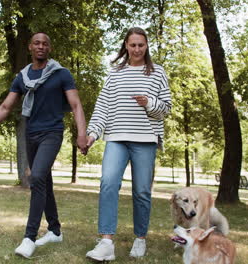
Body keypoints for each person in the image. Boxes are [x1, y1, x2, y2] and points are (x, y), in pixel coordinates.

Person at [0, 32, 88, 259]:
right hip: (31, 135)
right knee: (43, 180)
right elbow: (6, 108)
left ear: (50, 48)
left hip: (52, 133)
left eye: (45, 43)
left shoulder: (61, 74)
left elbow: (75, 105)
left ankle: (29, 237)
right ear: (30, 47)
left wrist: (81, 134)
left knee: (36, 178)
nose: (41, 46)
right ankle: (55, 230)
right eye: (37, 43)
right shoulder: (23, 77)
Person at [85, 27, 172, 261]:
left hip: (145, 140)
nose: (136, 49)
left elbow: (166, 108)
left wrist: (149, 102)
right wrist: (92, 134)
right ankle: (106, 243)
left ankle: (140, 238)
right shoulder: (115, 74)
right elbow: (102, 106)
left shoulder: (158, 73)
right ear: (126, 45)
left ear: (146, 46)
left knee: (141, 191)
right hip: (116, 138)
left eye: (141, 45)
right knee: (108, 183)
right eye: (132, 45)